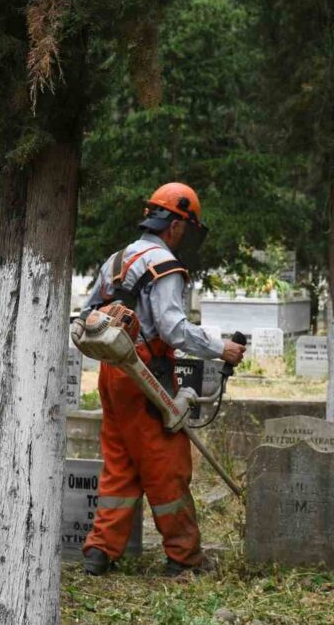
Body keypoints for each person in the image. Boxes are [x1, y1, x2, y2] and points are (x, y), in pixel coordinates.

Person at [81, 182, 245, 577]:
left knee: (119, 463)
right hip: (145, 377)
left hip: (111, 373)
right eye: (186, 228)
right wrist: (220, 348)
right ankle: (183, 558)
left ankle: (99, 552)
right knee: (167, 464)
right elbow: (173, 329)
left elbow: (88, 313)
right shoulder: (166, 266)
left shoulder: (117, 259)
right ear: (175, 225)